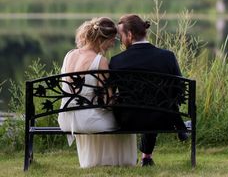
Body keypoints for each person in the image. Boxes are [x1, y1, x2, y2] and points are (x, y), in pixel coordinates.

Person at [109, 14, 187, 167]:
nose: (121, 40)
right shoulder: (167, 57)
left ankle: (138, 157)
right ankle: (146, 157)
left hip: (127, 120)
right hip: (162, 120)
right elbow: (179, 89)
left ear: (130, 35)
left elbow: (110, 93)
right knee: (156, 105)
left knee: (142, 106)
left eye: (121, 36)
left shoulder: (117, 61)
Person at [58, 17, 137, 168]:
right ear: (102, 39)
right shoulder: (100, 61)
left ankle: (98, 161)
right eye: (112, 40)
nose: (113, 44)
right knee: (125, 121)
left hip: (67, 118)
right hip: (88, 121)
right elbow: (108, 103)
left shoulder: (69, 55)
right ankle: (120, 161)